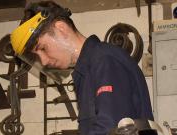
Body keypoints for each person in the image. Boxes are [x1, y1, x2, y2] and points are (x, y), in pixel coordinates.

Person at [10, 1, 154, 134]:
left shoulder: (103, 60)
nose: (44, 61)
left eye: (43, 48)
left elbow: (112, 127)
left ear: (61, 29)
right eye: (36, 57)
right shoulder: (87, 71)